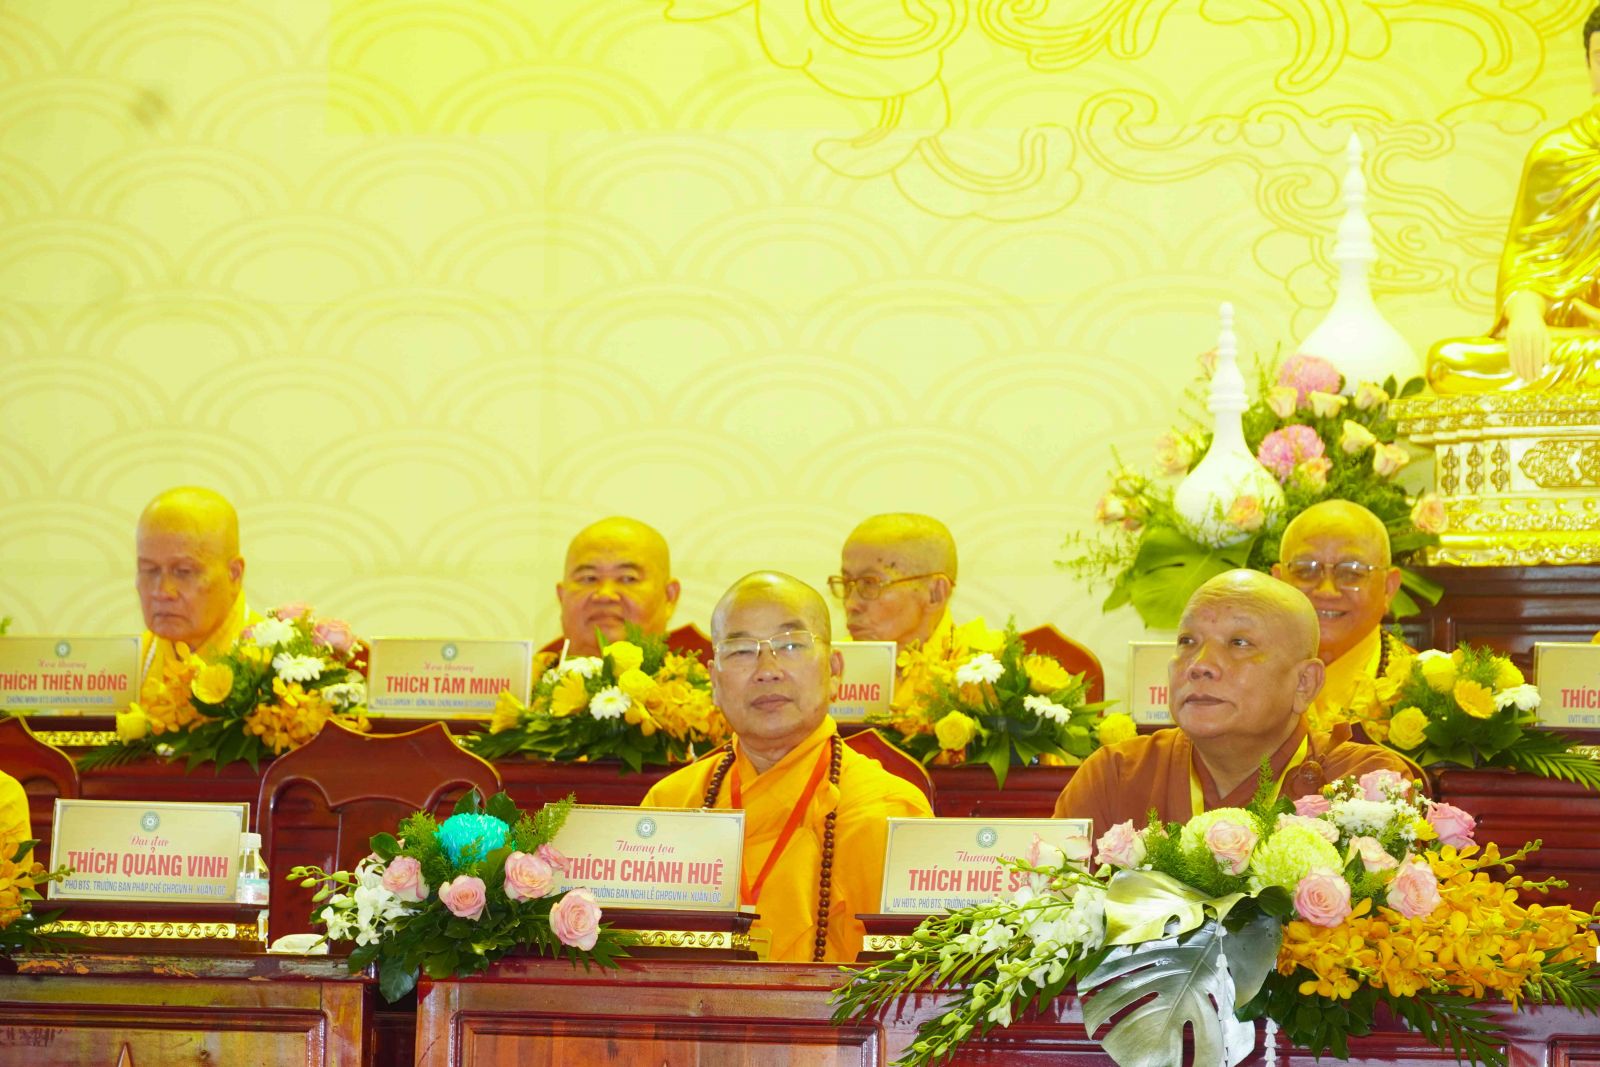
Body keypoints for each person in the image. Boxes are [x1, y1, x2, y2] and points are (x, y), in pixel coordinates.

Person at [642, 572, 932, 963]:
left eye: (791, 644)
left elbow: (910, 980)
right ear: (714, 682)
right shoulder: (671, 805)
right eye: (741, 651)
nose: (767, 669)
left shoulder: (888, 814)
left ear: (834, 671)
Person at [1053, 570, 1412, 832]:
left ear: (1304, 683)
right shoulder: (1116, 776)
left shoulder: (1366, 785)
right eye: (1188, 641)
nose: (1200, 665)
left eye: (1239, 643)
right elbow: (1054, 907)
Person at [1427, 5, 1600, 393]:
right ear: (1589, 67)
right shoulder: (1557, 154)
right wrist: (1525, 317)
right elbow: (1528, 261)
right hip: (1568, 339)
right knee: (1447, 363)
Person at [1271, 501, 1403, 733]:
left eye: (1351, 571)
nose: (1326, 591)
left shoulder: (1430, 690)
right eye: (1305, 570)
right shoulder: (1239, 681)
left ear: (1388, 588)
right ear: (1278, 582)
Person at [136, 487, 258, 684]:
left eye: (183, 571)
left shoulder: (277, 667)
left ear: (234, 574)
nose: (162, 591)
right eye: (150, 570)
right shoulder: (125, 667)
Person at [555, 517, 681, 657]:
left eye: (628, 578)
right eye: (589, 578)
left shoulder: (696, 670)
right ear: (561, 597)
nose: (605, 595)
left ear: (669, 597)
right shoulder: (536, 670)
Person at [832, 514, 956, 654]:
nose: (850, 605)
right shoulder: (831, 663)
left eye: (870, 583)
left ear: (935, 594)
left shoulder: (973, 664)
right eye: (846, 583)